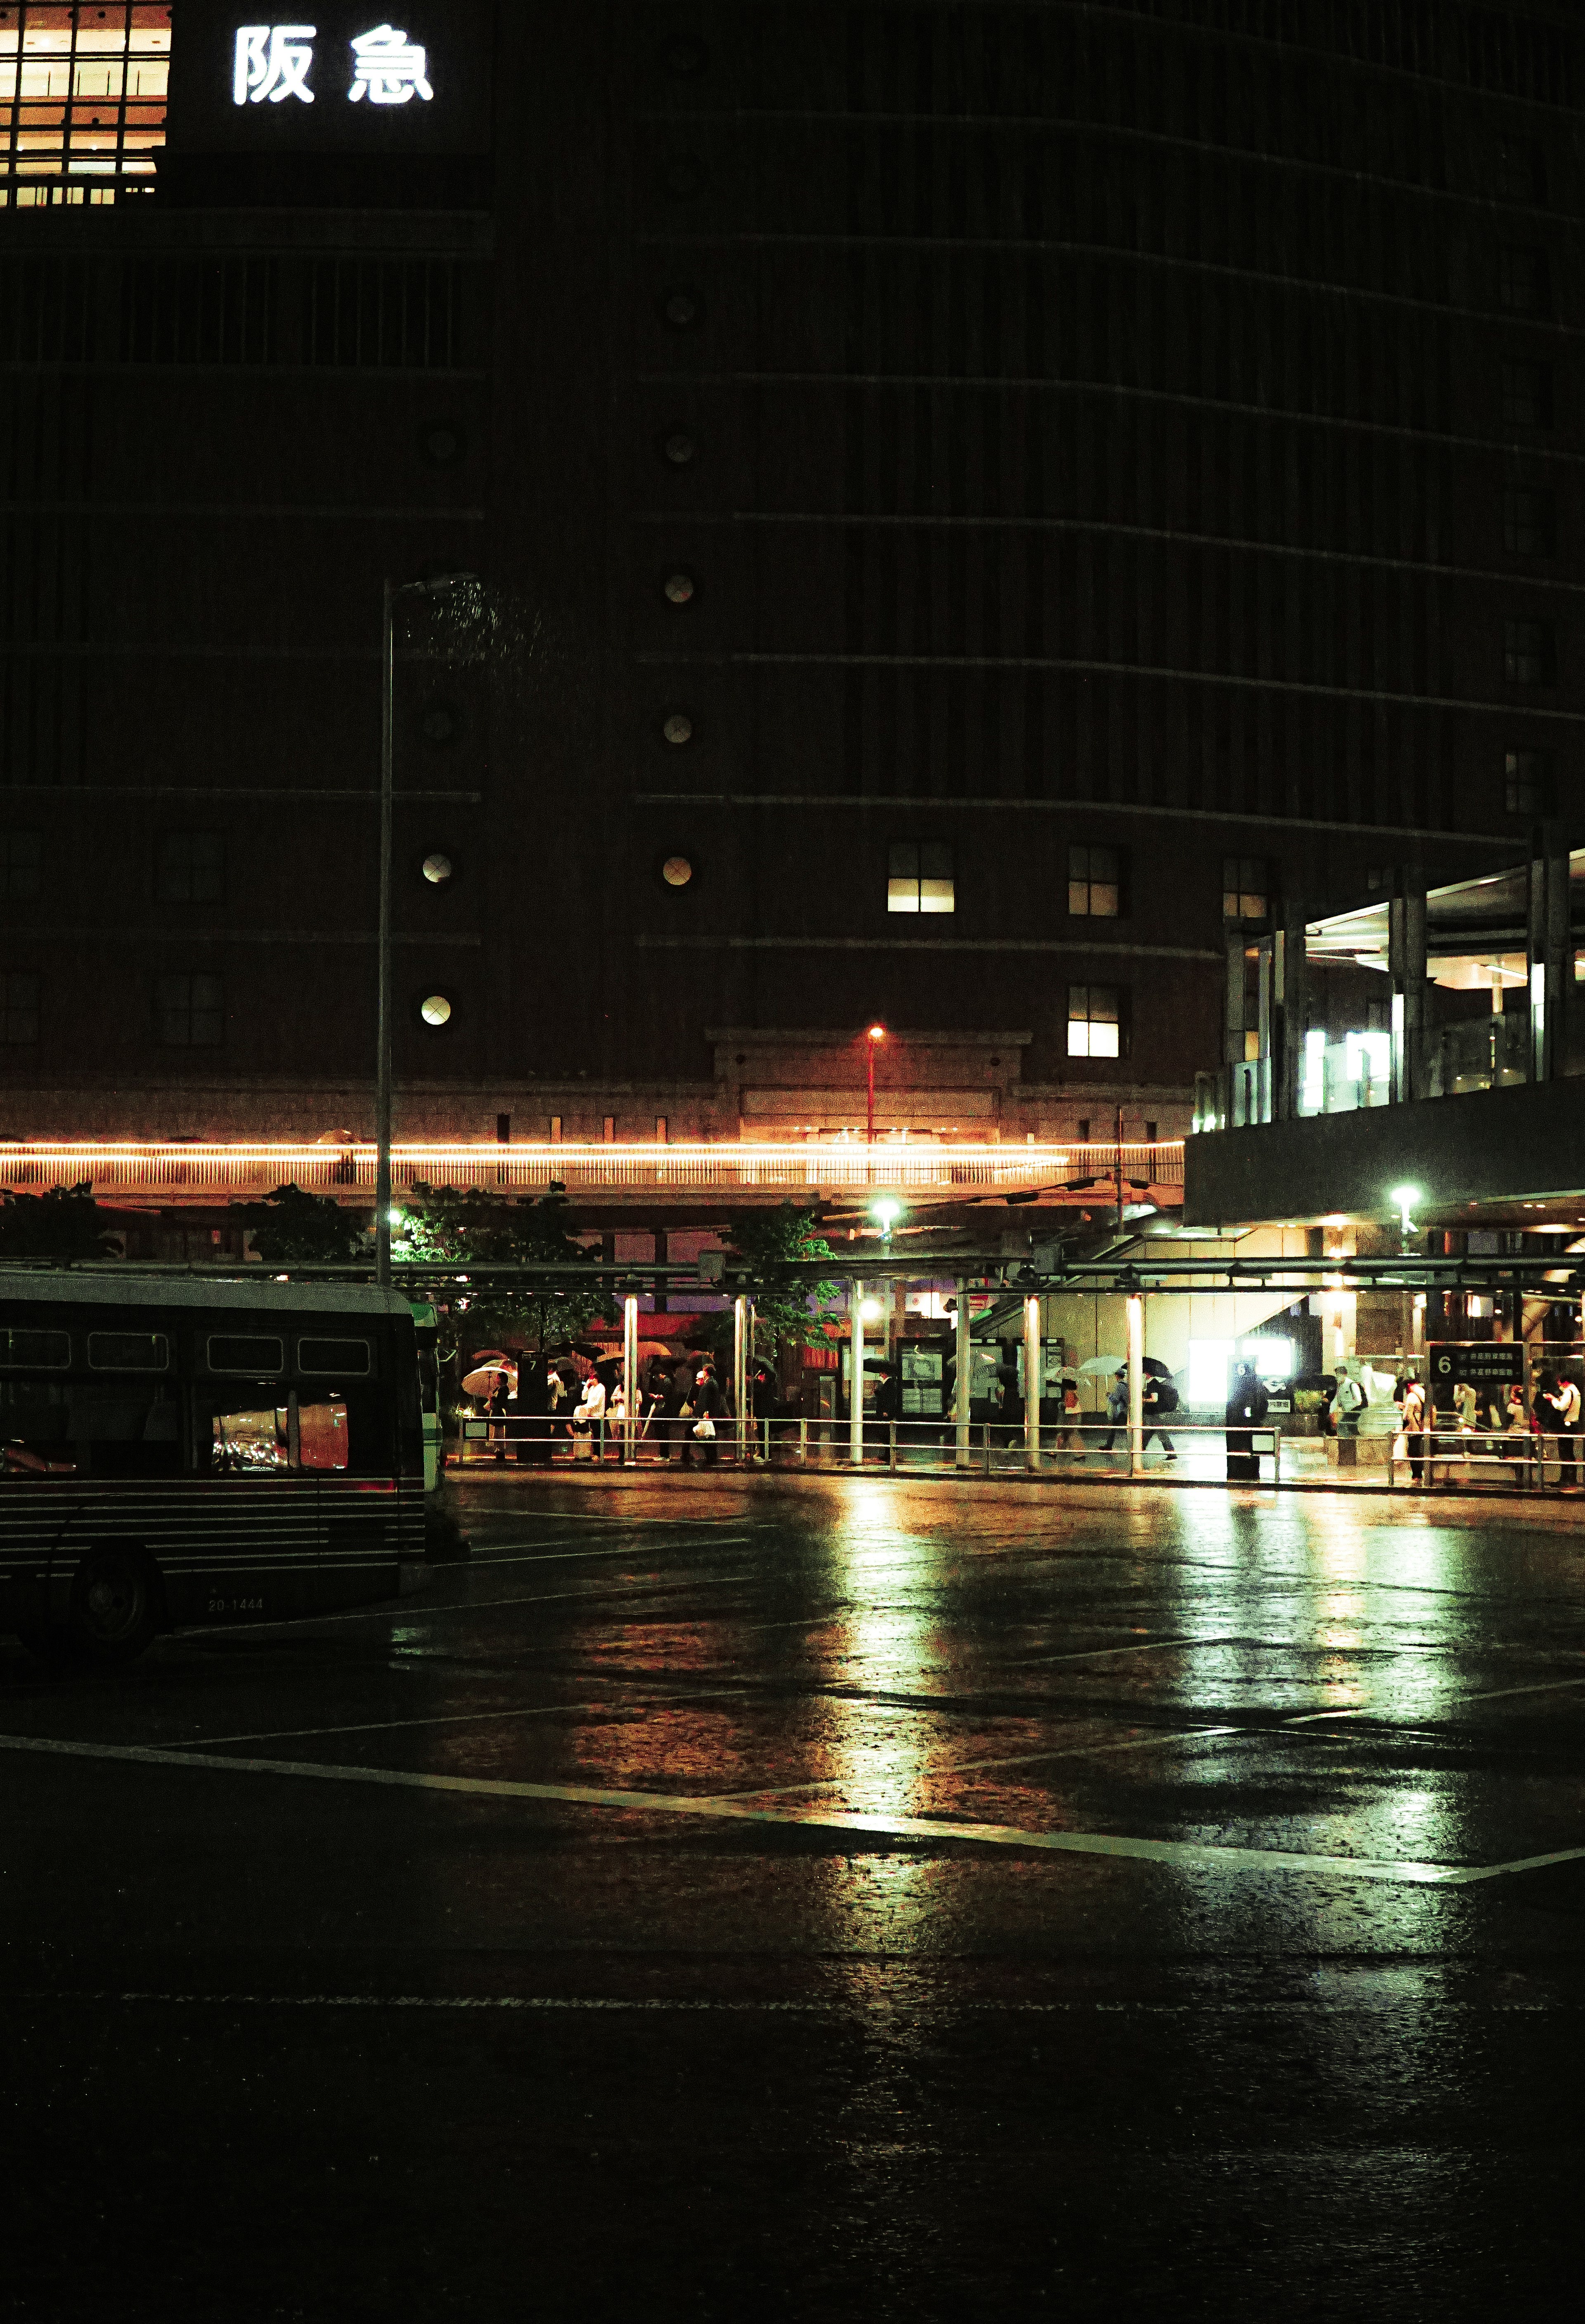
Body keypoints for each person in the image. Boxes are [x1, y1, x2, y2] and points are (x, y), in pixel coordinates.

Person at [1225, 1360, 1268, 1482]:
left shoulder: (1234, 1384)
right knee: (1250, 1452)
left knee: (1237, 1453)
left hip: (1235, 1428)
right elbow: (1263, 1405)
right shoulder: (1256, 1384)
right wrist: (1257, 1418)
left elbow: (1231, 1407)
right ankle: (1251, 1474)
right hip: (1251, 1426)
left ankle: (1236, 1474)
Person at [681, 1360, 728, 1469]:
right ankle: (710, 1457)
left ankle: (710, 1458)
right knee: (707, 1435)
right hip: (704, 1414)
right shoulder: (711, 1383)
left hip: (705, 1415)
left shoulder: (710, 1384)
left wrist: (707, 1412)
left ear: (706, 1372)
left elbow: (708, 1400)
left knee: (704, 1435)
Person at [1539, 1372, 1582, 1489]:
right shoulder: (1575, 1391)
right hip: (1572, 1423)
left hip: (1566, 1424)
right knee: (1569, 1452)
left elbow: (1561, 1407)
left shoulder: (1569, 1392)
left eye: (1560, 1383)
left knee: (1565, 1452)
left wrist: (1552, 1399)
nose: (1559, 1385)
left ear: (1566, 1382)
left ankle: (1566, 1480)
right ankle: (1569, 1479)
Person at [1141, 1370, 1177, 1463]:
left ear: (1148, 1374)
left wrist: (1144, 1400)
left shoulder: (1153, 1385)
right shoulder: (1154, 1384)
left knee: (1161, 1434)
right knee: (1147, 1433)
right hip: (1154, 1414)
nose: (1144, 1375)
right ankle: (1140, 1450)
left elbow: (1154, 1399)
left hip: (1155, 1414)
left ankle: (1172, 1454)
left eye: (1145, 1374)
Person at [1398, 1372, 1426, 1488]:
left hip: (1413, 1428)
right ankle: (1418, 1474)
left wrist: (1411, 1429)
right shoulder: (1422, 1394)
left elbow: (1408, 1415)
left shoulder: (1412, 1396)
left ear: (1409, 1386)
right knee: (1417, 1451)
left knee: (1414, 1452)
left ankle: (1417, 1475)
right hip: (1420, 1426)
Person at [1097, 1367, 1129, 1455]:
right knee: (1117, 1429)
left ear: (1117, 1376)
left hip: (1120, 1411)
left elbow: (1116, 1400)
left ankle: (1109, 1446)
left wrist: (1109, 1395)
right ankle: (1109, 1445)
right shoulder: (1127, 1385)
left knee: (1115, 1428)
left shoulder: (1119, 1386)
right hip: (1126, 1410)